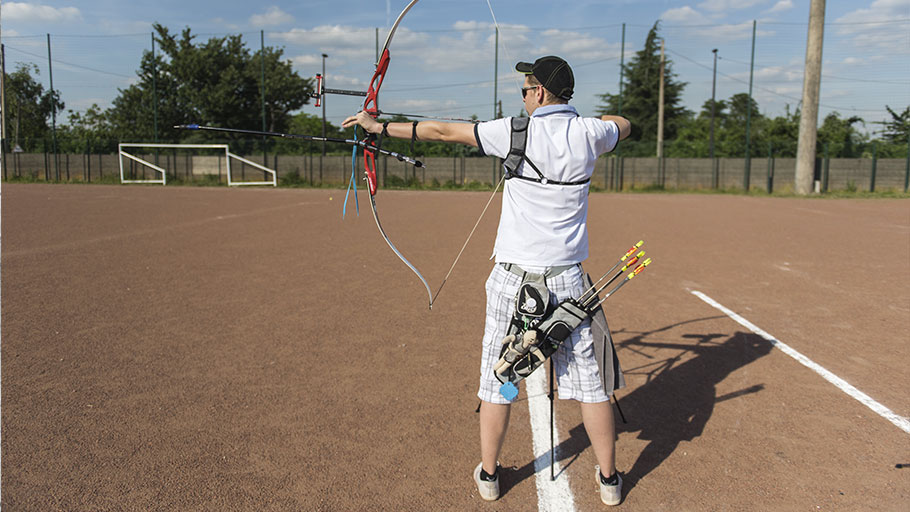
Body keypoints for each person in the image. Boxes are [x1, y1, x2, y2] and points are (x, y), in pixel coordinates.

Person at [343, 55, 631, 506]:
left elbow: (440, 132)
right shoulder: (593, 134)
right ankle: (610, 481)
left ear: (538, 93)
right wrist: (591, 119)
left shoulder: (514, 131)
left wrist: (377, 127)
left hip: (512, 281)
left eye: (525, 89)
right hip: (570, 282)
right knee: (590, 385)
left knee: (498, 376)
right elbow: (624, 123)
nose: (522, 96)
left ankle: (491, 475)